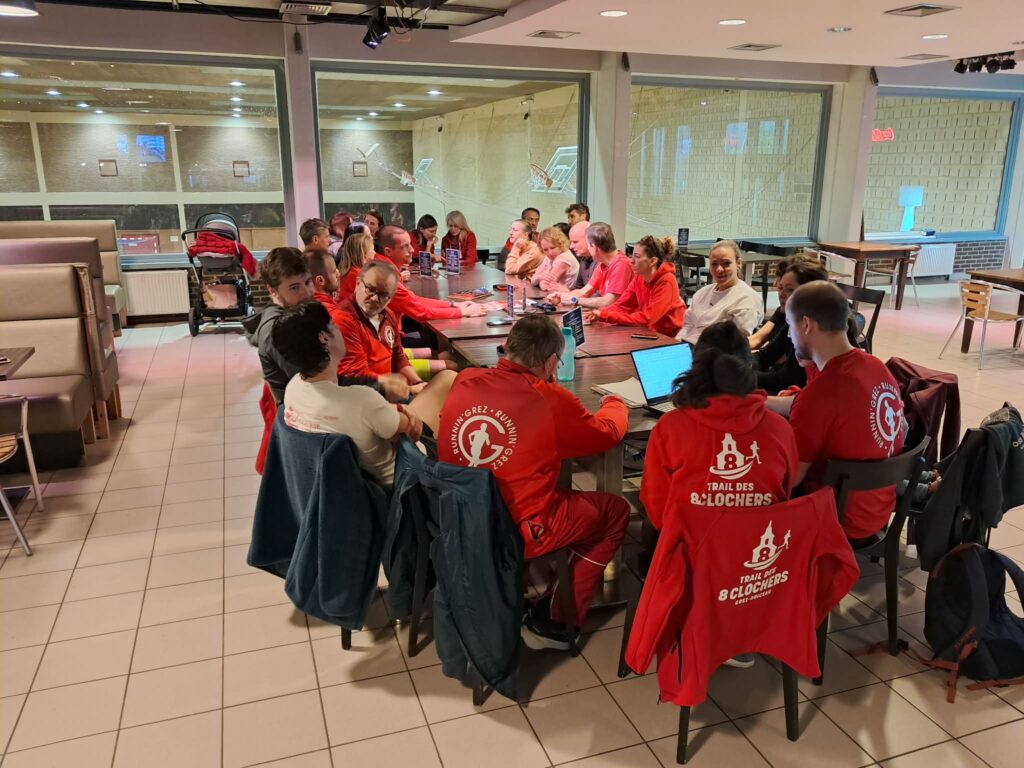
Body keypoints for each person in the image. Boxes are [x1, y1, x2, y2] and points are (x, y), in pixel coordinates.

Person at [438, 315, 631, 650]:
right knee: (614, 511)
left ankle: (534, 580)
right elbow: (606, 434)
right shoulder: (549, 398)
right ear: (552, 363)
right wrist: (615, 402)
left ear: (507, 347)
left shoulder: (465, 378)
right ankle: (556, 620)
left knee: (545, 484)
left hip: (457, 517)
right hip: (516, 530)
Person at [641, 320, 800, 668]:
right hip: (758, 567)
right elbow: (783, 495)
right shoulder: (780, 430)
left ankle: (684, 621)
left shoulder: (671, 427)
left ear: (696, 365)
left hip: (691, 563)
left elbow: (656, 510)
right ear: (747, 368)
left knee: (645, 540)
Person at [766, 281, 906, 542]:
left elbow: (791, 478)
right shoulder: (876, 367)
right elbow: (820, 406)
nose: (790, 337)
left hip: (837, 517)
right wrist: (759, 401)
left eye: (790, 327)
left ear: (806, 325)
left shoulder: (822, 393)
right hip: (878, 507)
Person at [272, 301, 423, 489]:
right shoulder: (361, 401)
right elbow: (412, 431)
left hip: (340, 490)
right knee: (445, 380)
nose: (340, 330)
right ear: (324, 339)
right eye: (333, 325)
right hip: (400, 487)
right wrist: (405, 409)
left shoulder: (293, 388)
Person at [304, 248, 410, 401]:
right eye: (370, 290)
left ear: (391, 297)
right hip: (369, 397)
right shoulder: (340, 317)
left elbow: (398, 356)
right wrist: (408, 389)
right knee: (443, 370)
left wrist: (416, 382)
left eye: (383, 295)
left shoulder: (388, 314)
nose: (375, 298)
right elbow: (356, 376)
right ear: (358, 283)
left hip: (389, 387)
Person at [749, 257, 828, 392]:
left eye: (789, 290)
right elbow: (764, 356)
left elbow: (786, 380)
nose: (781, 295)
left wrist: (738, 375)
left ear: (810, 293)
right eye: (781, 288)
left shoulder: (816, 329)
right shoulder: (794, 319)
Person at [376, 226, 486, 322]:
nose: (412, 250)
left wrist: (453, 304)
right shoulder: (386, 278)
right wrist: (463, 312)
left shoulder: (383, 267)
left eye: (410, 244)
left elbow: (414, 300)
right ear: (388, 251)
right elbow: (421, 312)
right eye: (405, 246)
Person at [584, 235, 685, 337]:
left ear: (652, 261)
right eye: (632, 256)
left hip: (671, 336)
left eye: (637, 256)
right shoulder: (639, 277)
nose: (631, 260)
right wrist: (598, 313)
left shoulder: (667, 281)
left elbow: (647, 318)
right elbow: (622, 306)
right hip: (651, 332)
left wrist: (605, 316)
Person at [677, 240, 763, 345]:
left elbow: (737, 343)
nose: (719, 269)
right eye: (714, 264)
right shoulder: (702, 292)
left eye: (726, 263)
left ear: (738, 263)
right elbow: (687, 324)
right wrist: (676, 345)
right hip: (685, 347)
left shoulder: (747, 299)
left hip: (712, 352)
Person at [547, 222, 632, 309]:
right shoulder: (602, 265)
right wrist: (561, 297)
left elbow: (608, 302)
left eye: (588, 245)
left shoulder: (622, 265)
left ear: (594, 248)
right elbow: (584, 292)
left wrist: (574, 300)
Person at [531, 226, 580, 291]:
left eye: (553, 248)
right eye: (545, 249)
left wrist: (540, 277)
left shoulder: (564, 258)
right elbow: (533, 281)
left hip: (566, 294)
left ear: (560, 244)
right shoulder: (549, 257)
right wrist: (540, 276)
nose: (550, 252)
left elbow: (545, 286)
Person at [338, 231, 375, 300]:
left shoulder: (347, 271)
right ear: (363, 254)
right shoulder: (357, 274)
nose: (374, 253)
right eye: (372, 250)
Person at [567, 220, 596, 290]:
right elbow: (577, 287)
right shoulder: (584, 260)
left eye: (575, 242)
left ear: (589, 240)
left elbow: (597, 294)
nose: (571, 246)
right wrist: (563, 292)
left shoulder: (601, 262)